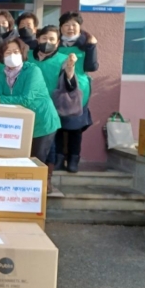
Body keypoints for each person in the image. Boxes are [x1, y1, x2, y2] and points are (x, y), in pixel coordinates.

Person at [0, 37, 61, 166]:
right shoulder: (3, 72)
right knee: (20, 162)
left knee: (36, 162)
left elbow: (26, 99)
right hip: (19, 124)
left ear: (22, 53)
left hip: (42, 122)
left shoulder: (33, 71)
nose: (12, 55)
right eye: (8, 52)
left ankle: (45, 179)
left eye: (16, 51)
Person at [27, 25, 89, 191]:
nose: (47, 42)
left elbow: (70, 85)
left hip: (50, 110)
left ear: (58, 42)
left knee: (50, 145)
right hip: (27, 107)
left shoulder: (63, 59)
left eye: (52, 39)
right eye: (44, 38)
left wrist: (70, 70)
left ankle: (46, 178)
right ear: (37, 39)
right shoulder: (27, 57)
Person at [54, 11, 99, 172]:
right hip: (58, 87)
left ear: (80, 27)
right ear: (61, 28)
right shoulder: (56, 44)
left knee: (76, 126)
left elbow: (92, 66)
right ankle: (59, 158)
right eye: (66, 25)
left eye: (74, 25)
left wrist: (92, 47)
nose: (70, 28)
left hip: (79, 89)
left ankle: (73, 159)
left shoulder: (86, 44)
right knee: (57, 126)